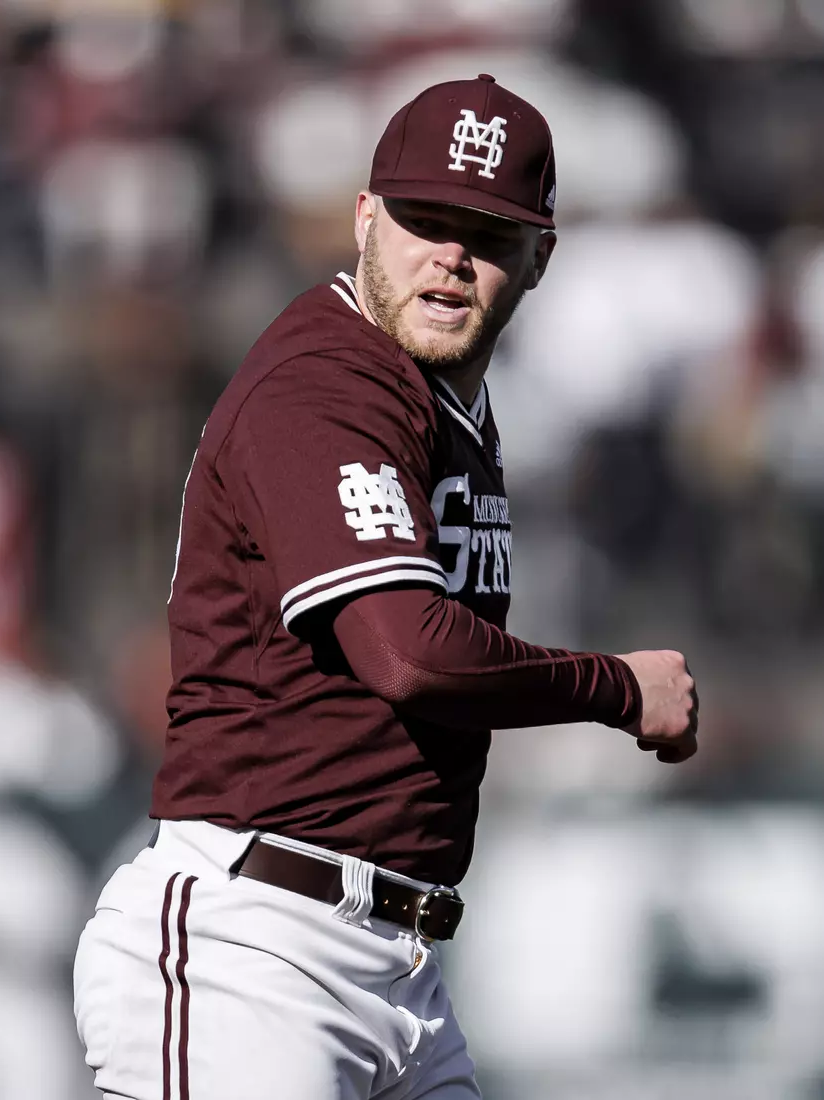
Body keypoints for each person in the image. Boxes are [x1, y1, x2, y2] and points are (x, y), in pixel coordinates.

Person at [71, 74, 699, 1100]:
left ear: (540, 257)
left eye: (487, 233)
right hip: (256, 950)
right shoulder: (327, 382)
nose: (450, 254)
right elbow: (405, 650)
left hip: (397, 966)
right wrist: (615, 687)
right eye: (425, 219)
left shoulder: (443, 394)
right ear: (366, 217)